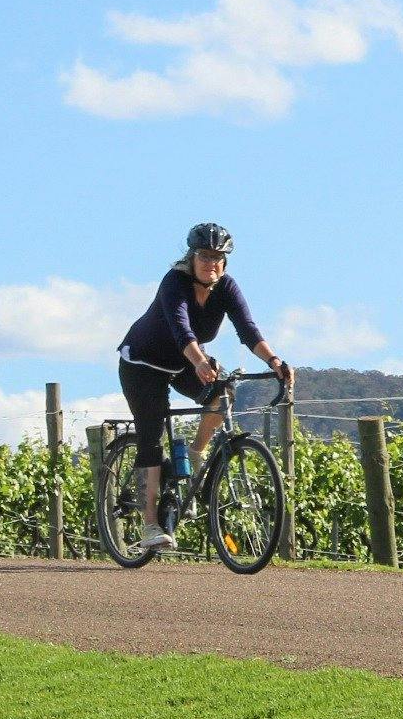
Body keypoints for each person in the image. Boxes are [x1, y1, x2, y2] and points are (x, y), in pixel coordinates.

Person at [117, 222, 292, 551]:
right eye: (204, 256)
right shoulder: (174, 283)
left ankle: (196, 453)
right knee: (151, 442)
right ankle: (150, 525)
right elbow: (181, 328)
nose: (211, 262)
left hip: (183, 362)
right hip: (142, 364)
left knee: (223, 394)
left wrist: (275, 362)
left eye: (217, 257)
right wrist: (199, 361)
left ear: (225, 262)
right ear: (191, 257)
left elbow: (248, 330)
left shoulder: (226, 287)